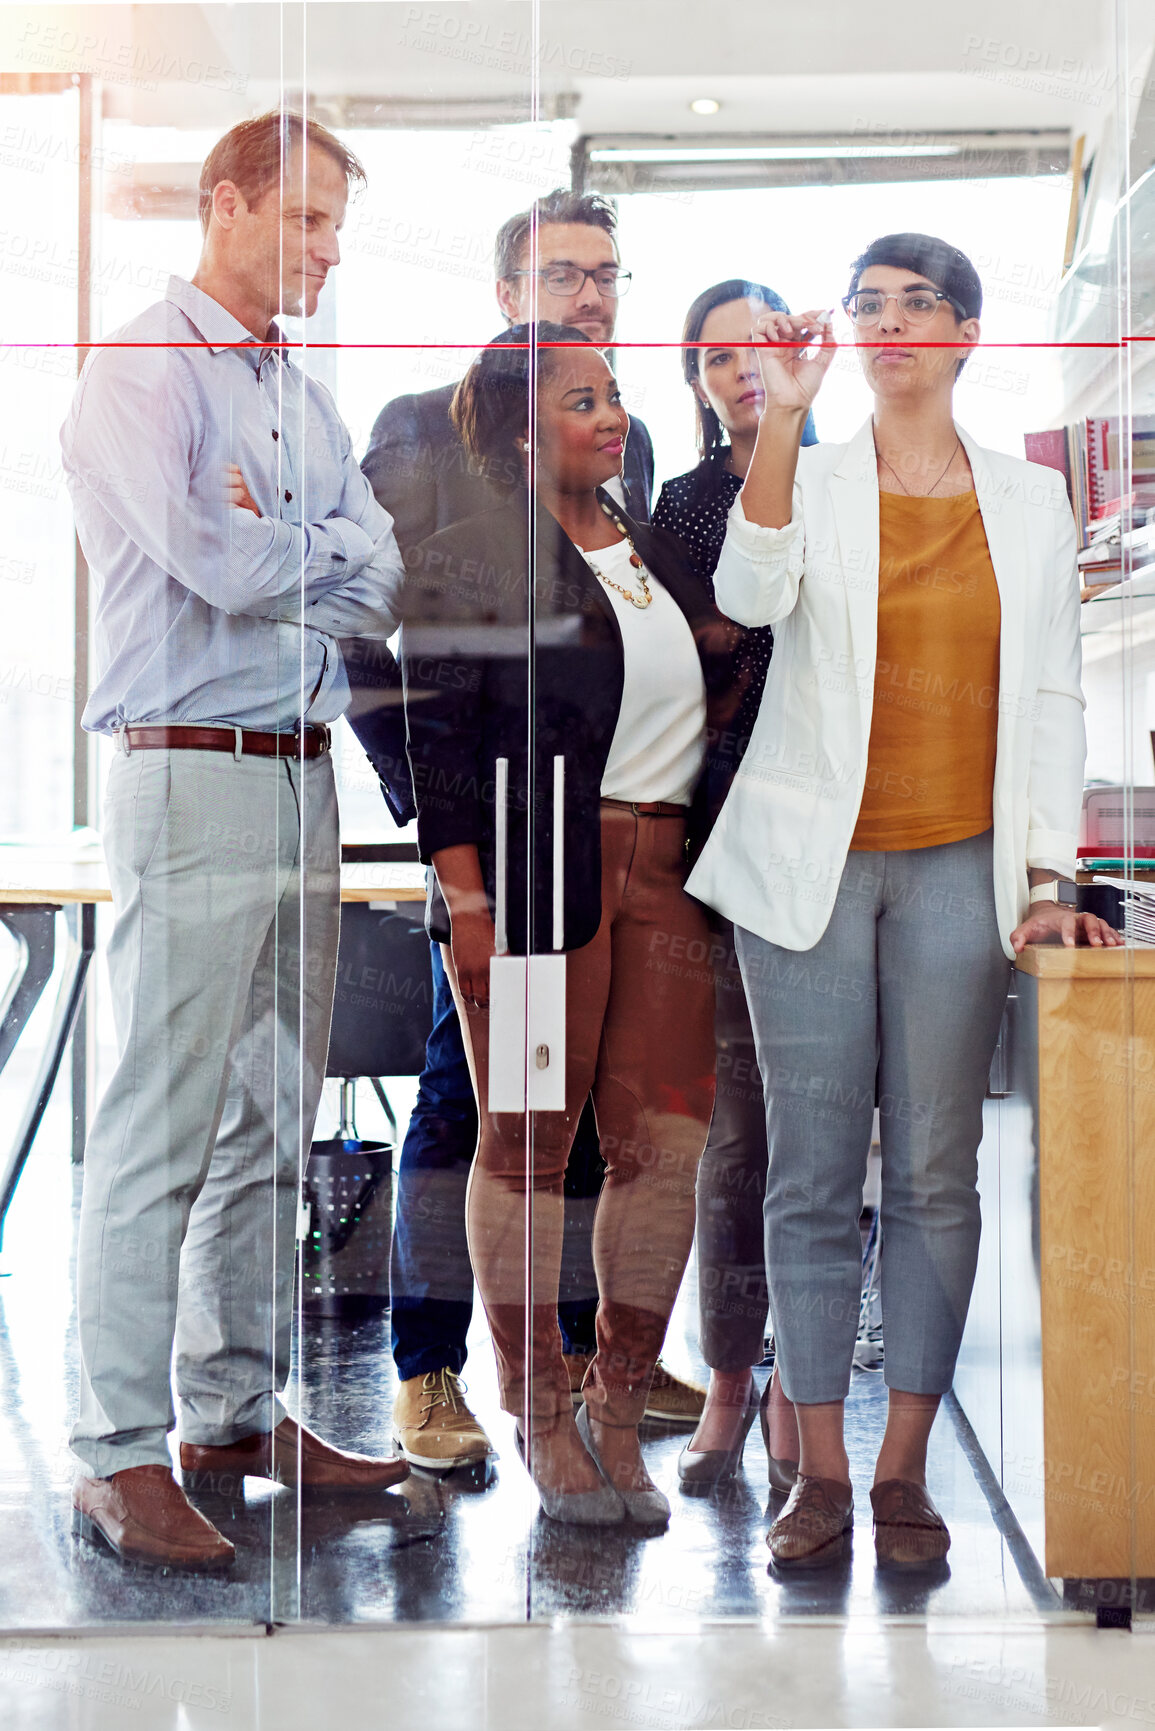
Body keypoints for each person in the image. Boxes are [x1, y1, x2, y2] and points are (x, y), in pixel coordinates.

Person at [684, 233, 1121, 1569]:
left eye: (912, 304)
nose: (883, 324)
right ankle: (811, 1469)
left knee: (935, 1170)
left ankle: (901, 1467)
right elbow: (743, 590)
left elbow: (1050, 697)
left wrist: (1048, 877)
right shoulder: (807, 477)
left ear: (963, 335)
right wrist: (783, 422)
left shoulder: (1028, 504)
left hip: (956, 863)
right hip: (804, 874)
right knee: (809, 1175)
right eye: (864, 304)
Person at [61, 112, 411, 1573]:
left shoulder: (298, 398)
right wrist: (308, 551)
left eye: (338, 226)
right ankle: (118, 1450)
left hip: (297, 774)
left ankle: (229, 1411)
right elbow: (217, 560)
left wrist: (309, 546)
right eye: (310, 220)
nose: (328, 250)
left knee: (274, 1106)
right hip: (193, 772)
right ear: (226, 205)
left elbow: (377, 570)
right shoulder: (145, 369)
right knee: (161, 1116)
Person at [348, 190, 701, 1477]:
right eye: (564, 273)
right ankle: (434, 1370)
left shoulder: (626, 436)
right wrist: (451, 845)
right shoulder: (422, 425)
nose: (590, 293)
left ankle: (585, 1353)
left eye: (608, 275)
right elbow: (378, 641)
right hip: (507, 840)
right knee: (475, 1108)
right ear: (507, 294)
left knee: (595, 1120)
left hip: (615, 849)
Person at [402, 324, 736, 1524]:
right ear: (520, 425)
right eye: (581, 399)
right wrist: (467, 900)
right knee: (531, 1148)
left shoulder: (652, 552)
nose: (613, 416)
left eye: (614, 395)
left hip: (670, 877)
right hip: (543, 872)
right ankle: (536, 1409)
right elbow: (428, 744)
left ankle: (616, 1401)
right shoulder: (470, 558)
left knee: (667, 1152)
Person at [652, 279, 818, 1496]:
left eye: (758, 344)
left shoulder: (857, 480)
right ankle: (725, 1382)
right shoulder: (686, 502)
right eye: (714, 356)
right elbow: (688, 660)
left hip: (851, 837)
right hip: (722, 846)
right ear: (698, 380)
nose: (738, 368)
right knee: (736, 1140)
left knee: (820, 1144)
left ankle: (805, 1397)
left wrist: (739, 646)